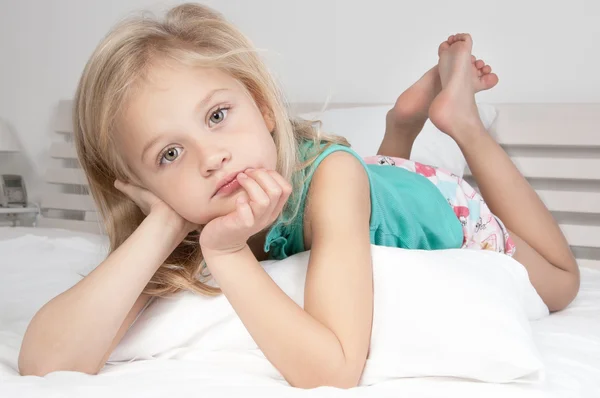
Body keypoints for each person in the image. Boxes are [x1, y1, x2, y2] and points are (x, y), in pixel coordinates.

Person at [18, 3, 580, 389]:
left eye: (217, 116)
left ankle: (461, 122)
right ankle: (398, 133)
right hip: (373, 181)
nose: (210, 156)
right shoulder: (189, 214)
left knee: (560, 281)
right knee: (370, 177)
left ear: (264, 109)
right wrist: (162, 223)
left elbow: (335, 371)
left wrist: (230, 255)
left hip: (430, 202)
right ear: (142, 186)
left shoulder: (333, 179)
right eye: (169, 155)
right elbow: (45, 364)